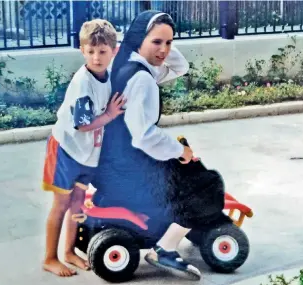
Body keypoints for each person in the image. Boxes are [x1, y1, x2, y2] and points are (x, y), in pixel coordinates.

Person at [91, 11, 225, 280]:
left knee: (187, 169)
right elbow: (144, 136)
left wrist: (159, 38)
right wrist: (180, 151)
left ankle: (174, 229)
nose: (164, 50)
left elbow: (179, 67)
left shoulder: (126, 63)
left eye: (169, 43)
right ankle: (165, 248)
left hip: (112, 163)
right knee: (208, 183)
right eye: (157, 42)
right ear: (140, 39)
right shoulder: (143, 79)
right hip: (130, 169)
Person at [41, 19, 125, 277]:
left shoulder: (108, 75)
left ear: (114, 51)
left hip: (88, 151)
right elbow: (82, 125)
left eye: (102, 51)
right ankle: (50, 257)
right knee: (61, 203)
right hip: (67, 149)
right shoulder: (82, 82)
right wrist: (110, 115)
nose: (96, 57)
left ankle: (69, 251)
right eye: (90, 51)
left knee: (78, 202)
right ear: (82, 50)